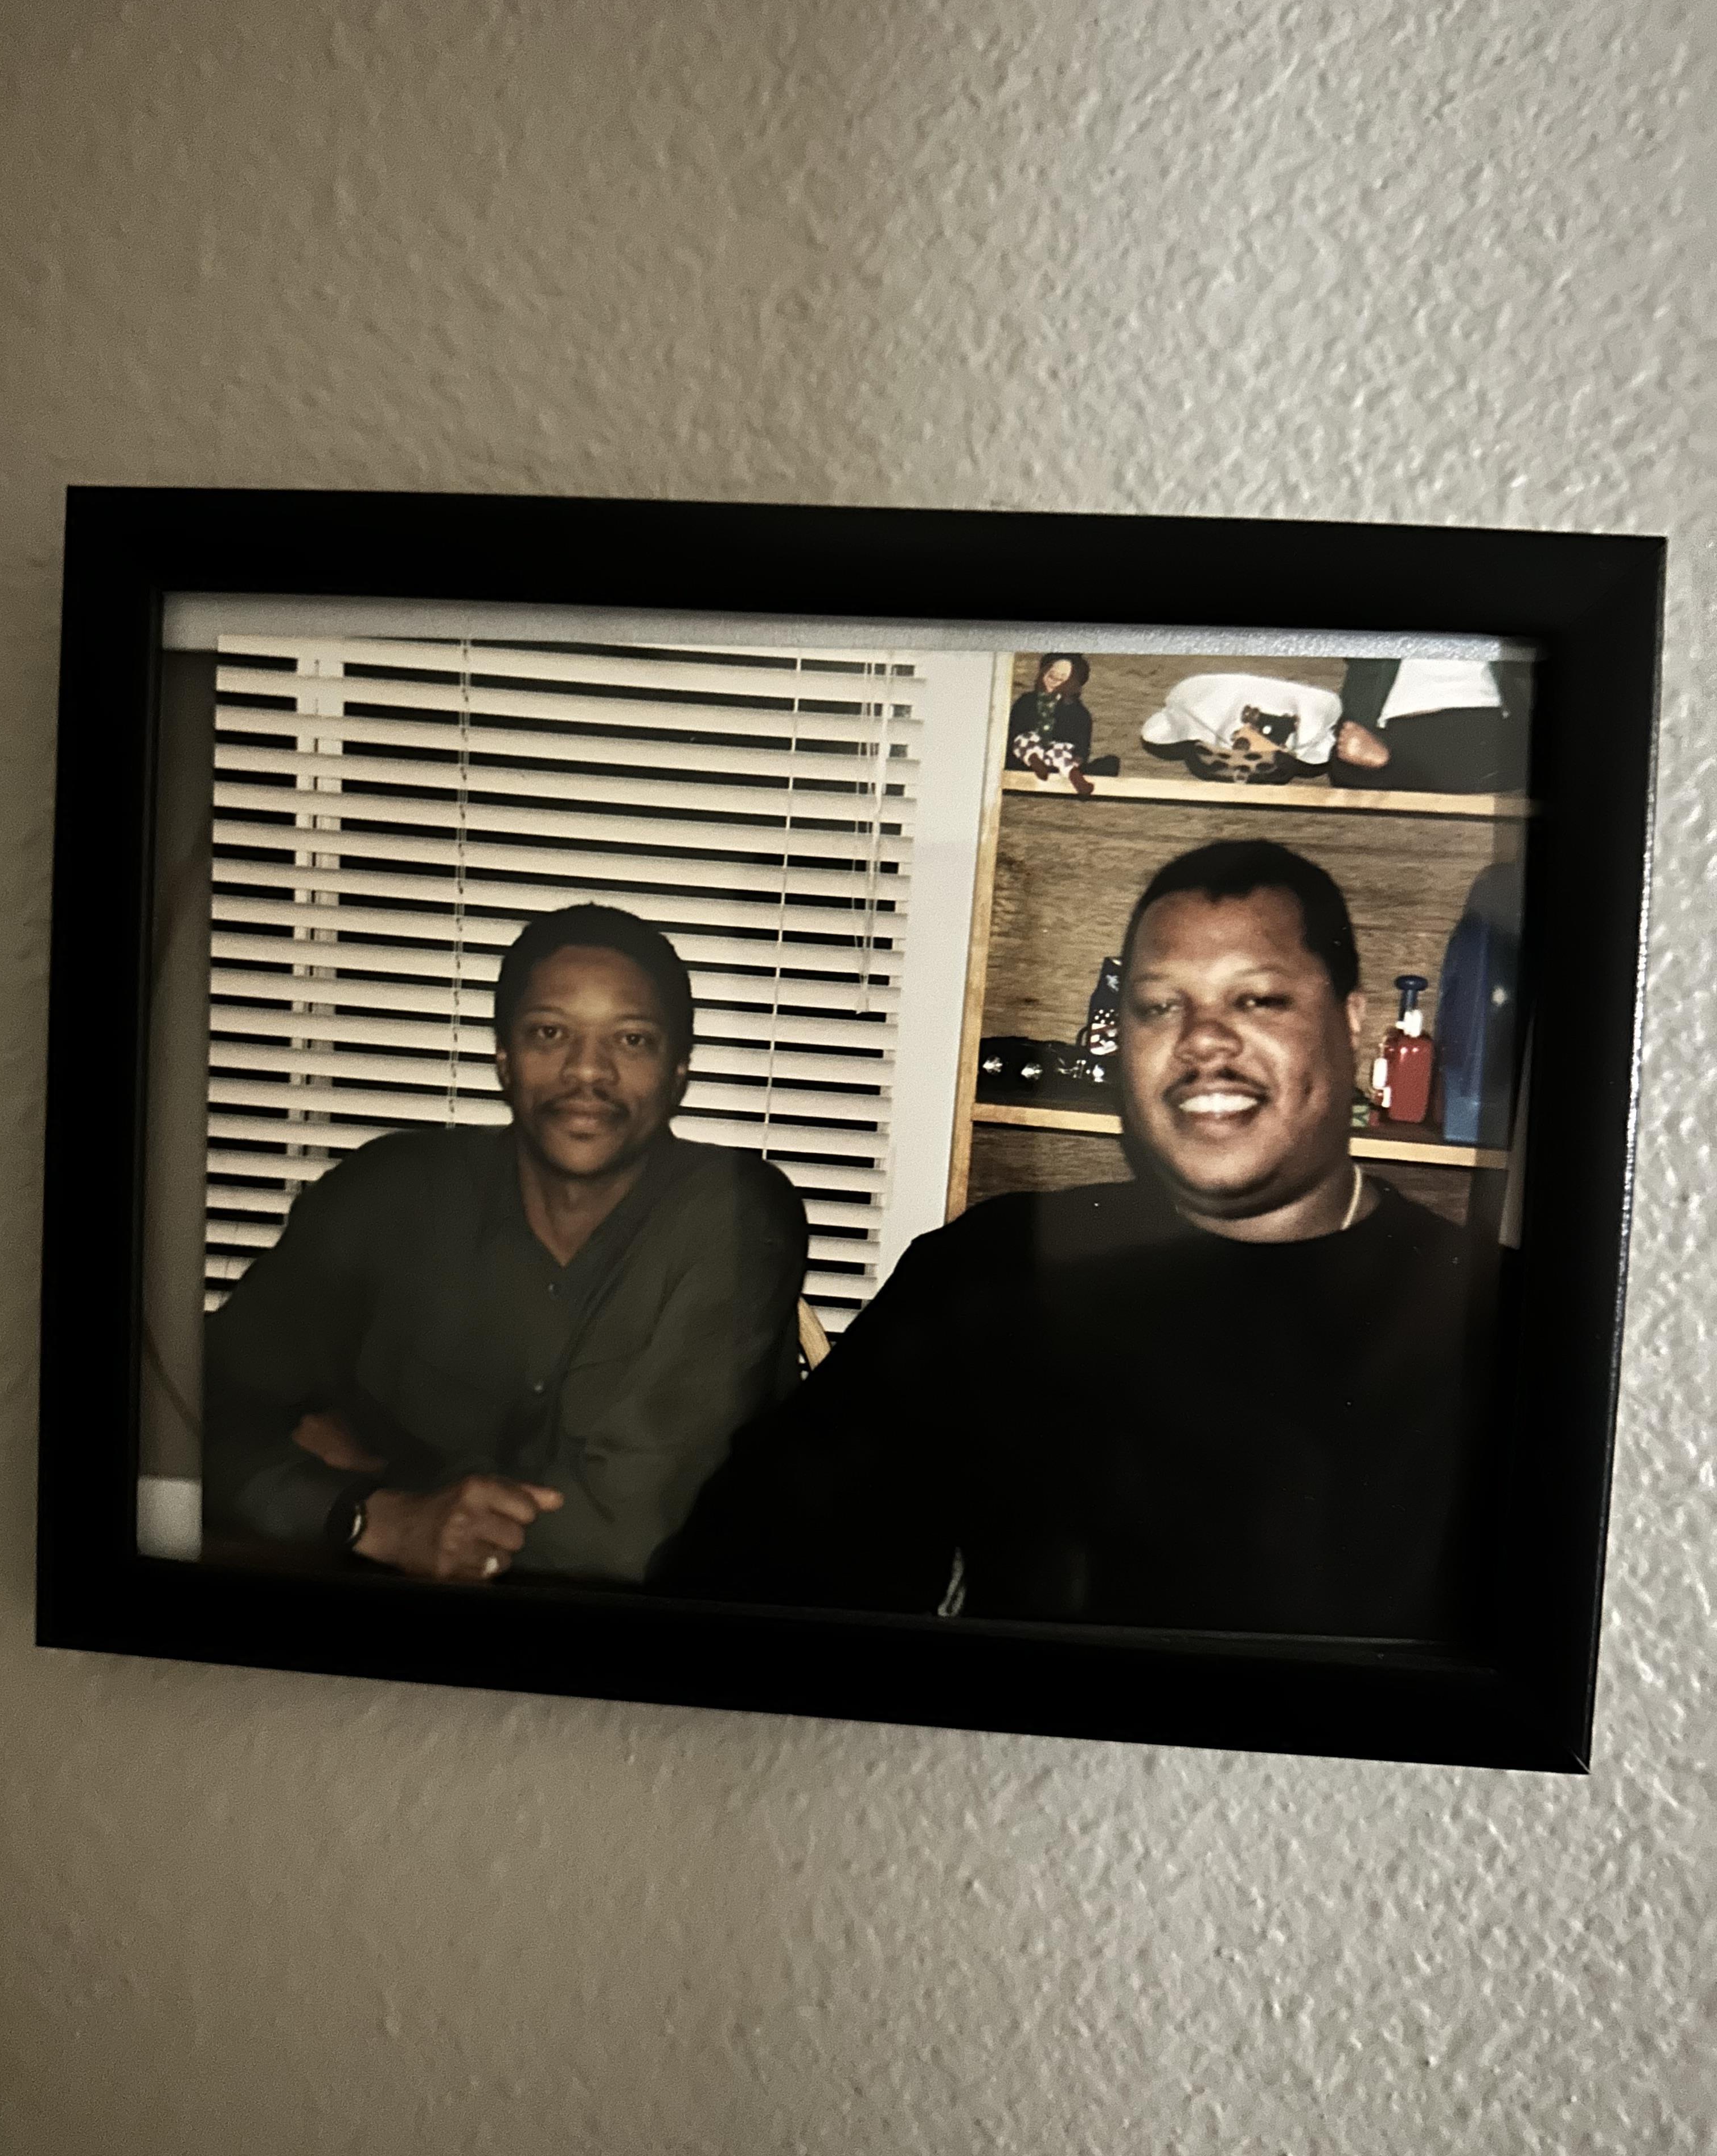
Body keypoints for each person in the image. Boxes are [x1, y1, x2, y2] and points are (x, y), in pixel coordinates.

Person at [661, 842, 1494, 1643]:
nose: (1202, 1039)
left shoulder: (1489, 1319)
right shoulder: (996, 1265)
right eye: (1160, 1005)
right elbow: (747, 1558)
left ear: (1352, 1022)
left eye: (1257, 999)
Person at [202, 904, 808, 1585]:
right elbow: (189, 1409)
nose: (589, 1073)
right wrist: (367, 1518)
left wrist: (394, 1496)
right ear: (504, 1060)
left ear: (678, 1074)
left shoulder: (734, 1213)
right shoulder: (387, 1196)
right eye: (550, 1033)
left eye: (632, 1041)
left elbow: (634, 1534)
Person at [1329, 656, 1531, 792]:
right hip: (1398, 725)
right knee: (1345, 758)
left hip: (1483, 719)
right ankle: (1391, 766)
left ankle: (1391, 766)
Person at [1005, 653, 1100, 796]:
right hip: (1026, 758)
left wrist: (1078, 758)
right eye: (1052, 673)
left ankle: (1074, 775)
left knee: (1062, 754)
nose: (1055, 679)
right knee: (1024, 740)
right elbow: (1013, 733)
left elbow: (1082, 743)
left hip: (1056, 757)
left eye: (1062, 677)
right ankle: (1035, 761)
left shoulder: (1078, 713)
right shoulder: (1026, 702)